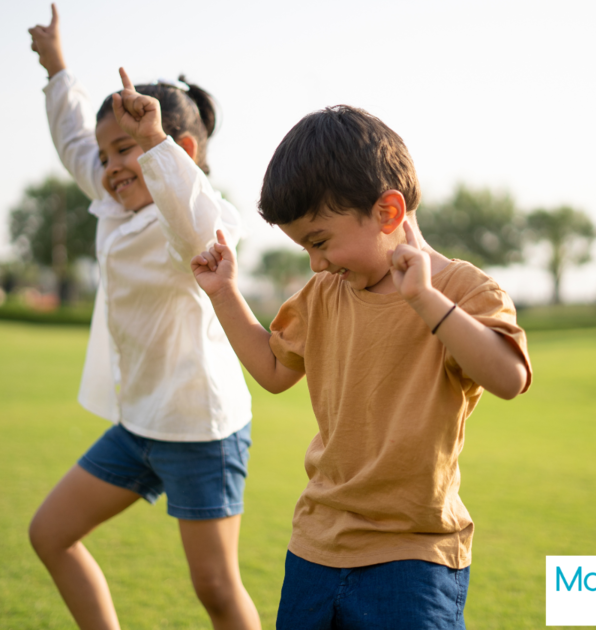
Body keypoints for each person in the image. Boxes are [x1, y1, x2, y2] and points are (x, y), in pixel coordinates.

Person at [191, 105, 533, 629]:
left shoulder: (463, 292)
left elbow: (509, 378)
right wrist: (224, 294)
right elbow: (274, 371)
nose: (317, 262)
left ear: (388, 213)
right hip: (316, 546)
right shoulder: (326, 293)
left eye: (320, 241)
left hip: (413, 558)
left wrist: (424, 298)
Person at [27, 6, 260, 629]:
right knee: (49, 533)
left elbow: (201, 225)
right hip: (139, 425)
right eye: (108, 156)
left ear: (176, 150)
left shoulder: (187, 220)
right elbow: (76, 141)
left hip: (199, 430)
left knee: (214, 586)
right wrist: (57, 69)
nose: (109, 167)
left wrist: (152, 146)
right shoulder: (113, 203)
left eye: (124, 149)